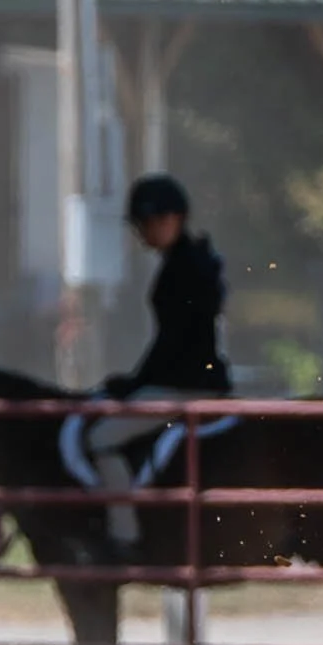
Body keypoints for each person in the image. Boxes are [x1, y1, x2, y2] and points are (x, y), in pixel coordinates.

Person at [87, 174, 231, 547]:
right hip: (186, 378)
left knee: (101, 439)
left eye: (149, 223)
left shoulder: (186, 267)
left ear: (173, 219)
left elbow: (175, 342)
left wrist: (135, 383)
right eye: (141, 225)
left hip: (185, 385)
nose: (143, 232)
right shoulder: (189, 261)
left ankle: (124, 534)